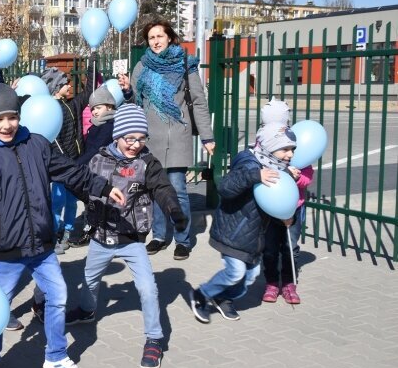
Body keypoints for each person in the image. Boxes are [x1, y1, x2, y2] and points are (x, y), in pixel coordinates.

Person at [0, 83, 126, 368]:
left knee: (58, 295)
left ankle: (56, 356)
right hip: (6, 250)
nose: (6, 125)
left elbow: (71, 171)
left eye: (11, 117)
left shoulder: (36, 144)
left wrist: (101, 187)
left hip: (42, 246)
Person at [66, 104, 187, 368]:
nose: (135, 144)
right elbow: (78, 182)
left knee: (147, 289)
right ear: (117, 136)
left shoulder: (147, 163)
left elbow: (163, 188)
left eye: (141, 138)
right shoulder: (97, 159)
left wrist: (173, 210)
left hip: (131, 240)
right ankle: (87, 311)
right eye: (129, 138)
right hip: (100, 236)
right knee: (89, 281)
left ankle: (154, 338)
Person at [121, 18, 215, 261]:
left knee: (178, 189)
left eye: (159, 36)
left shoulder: (186, 64)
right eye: (151, 38)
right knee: (154, 191)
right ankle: (160, 236)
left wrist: (207, 136)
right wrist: (127, 92)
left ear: (170, 37)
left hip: (178, 135)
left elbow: (199, 102)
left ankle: (182, 240)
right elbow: (135, 104)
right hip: (151, 138)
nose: (155, 42)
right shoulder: (142, 65)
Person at [189, 122, 296, 323]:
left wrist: (288, 216)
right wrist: (254, 176)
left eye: (292, 150)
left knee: (251, 275)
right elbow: (226, 187)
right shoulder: (249, 164)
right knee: (235, 272)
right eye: (285, 149)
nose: (290, 155)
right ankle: (202, 294)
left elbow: (277, 201)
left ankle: (222, 296)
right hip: (233, 232)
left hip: (253, 237)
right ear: (270, 147)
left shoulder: (279, 170)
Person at [259, 98, 314, 305]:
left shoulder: (294, 144)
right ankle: (272, 283)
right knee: (270, 247)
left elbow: (308, 175)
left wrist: (297, 177)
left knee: (290, 246)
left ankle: (289, 284)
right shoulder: (263, 142)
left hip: (295, 206)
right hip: (269, 206)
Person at [41, 65, 95, 253]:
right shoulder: (48, 109)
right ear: (56, 87)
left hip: (75, 163)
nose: (70, 86)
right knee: (57, 202)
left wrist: (91, 65)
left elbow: (89, 93)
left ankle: (68, 231)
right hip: (59, 165)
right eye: (66, 83)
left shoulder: (72, 104)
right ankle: (55, 234)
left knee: (72, 201)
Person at [68, 84, 119, 248]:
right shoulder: (97, 126)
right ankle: (93, 228)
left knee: (94, 198)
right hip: (93, 168)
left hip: (104, 171)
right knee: (90, 200)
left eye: (98, 107)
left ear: (109, 106)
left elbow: (96, 149)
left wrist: (77, 166)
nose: (94, 111)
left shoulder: (109, 126)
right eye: (92, 109)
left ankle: (95, 230)